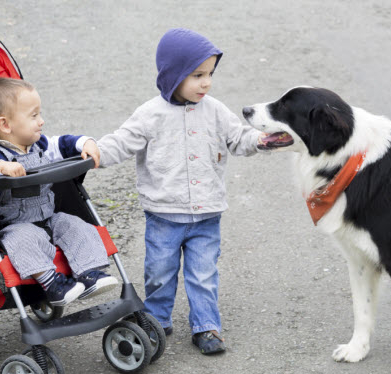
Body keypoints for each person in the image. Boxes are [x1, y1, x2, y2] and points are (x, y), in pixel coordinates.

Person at [94, 28, 267, 354]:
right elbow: (121, 142)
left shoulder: (215, 110)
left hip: (206, 214)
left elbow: (238, 139)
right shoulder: (150, 115)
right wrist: (95, 154)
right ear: (173, 75)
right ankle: (157, 320)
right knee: (159, 272)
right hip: (164, 214)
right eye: (198, 75)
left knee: (203, 275)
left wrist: (260, 140)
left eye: (210, 74)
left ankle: (206, 327)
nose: (207, 83)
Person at [0, 77, 119, 306]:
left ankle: (89, 272)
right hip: (15, 225)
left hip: (49, 218)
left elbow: (66, 143)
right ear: (6, 125)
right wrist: (1, 168)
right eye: (34, 116)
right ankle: (52, 283)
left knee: (76, 225)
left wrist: (86, 143)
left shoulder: (41, 145)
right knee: (22, 241)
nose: (42, 121)